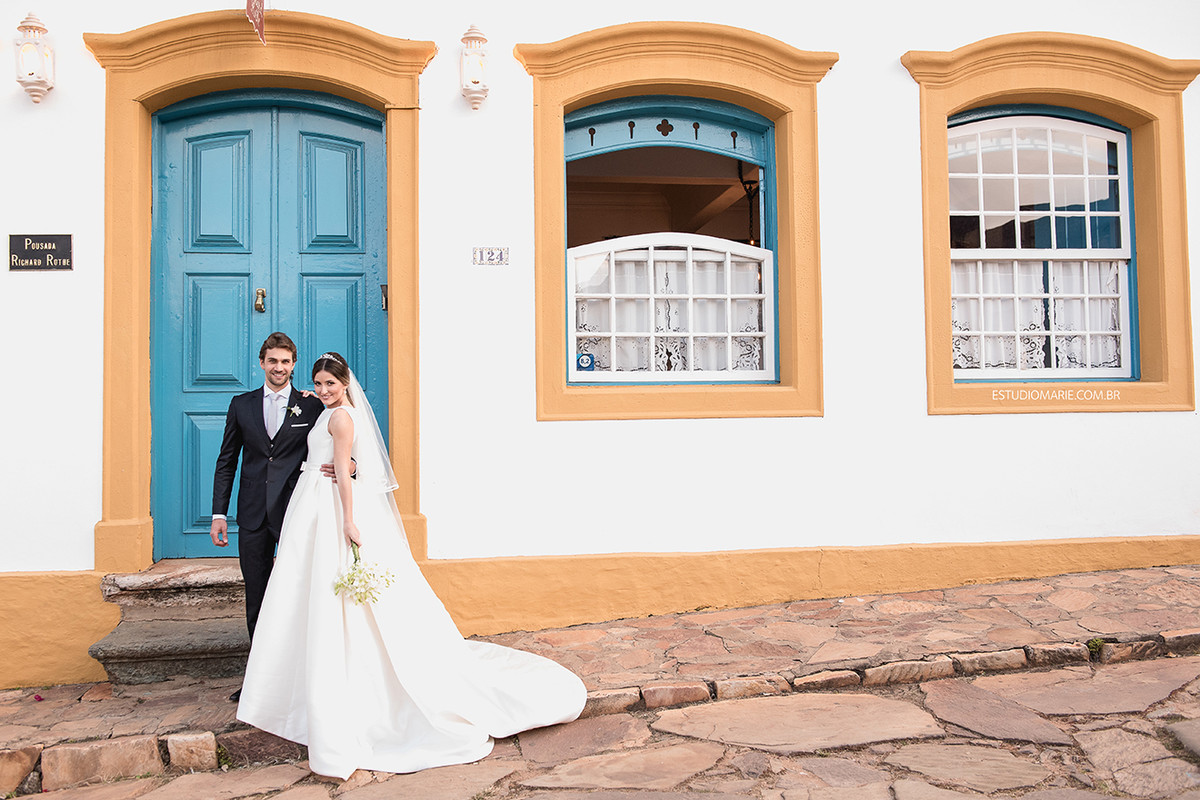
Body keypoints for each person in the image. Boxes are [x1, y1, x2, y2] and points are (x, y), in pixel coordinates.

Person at [237, 353, 586, 778]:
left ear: (346, 383)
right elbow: (333, 447)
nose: (324, 390)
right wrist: (319, 406)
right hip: (312, 507)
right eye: (319, 384)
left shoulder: (341, 418)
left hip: (331, 508)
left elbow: (345, 473)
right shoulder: (323, 408)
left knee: (337, 596)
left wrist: (348, 519)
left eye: (331, 383)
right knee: (307, 594)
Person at [210, 332, 327, 700]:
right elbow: (227, 461)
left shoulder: (311, 406)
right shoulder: (241, 404)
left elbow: (334, 444)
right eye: (273, 361)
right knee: (257, 594)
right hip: (253, 513)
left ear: (294, 365)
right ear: (262, 363)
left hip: (297, 510)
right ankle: (259, 682)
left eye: (286, 362)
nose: (280, 368)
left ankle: (303, 676)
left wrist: (352, 466)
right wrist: (218, 513)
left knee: (299, 591)